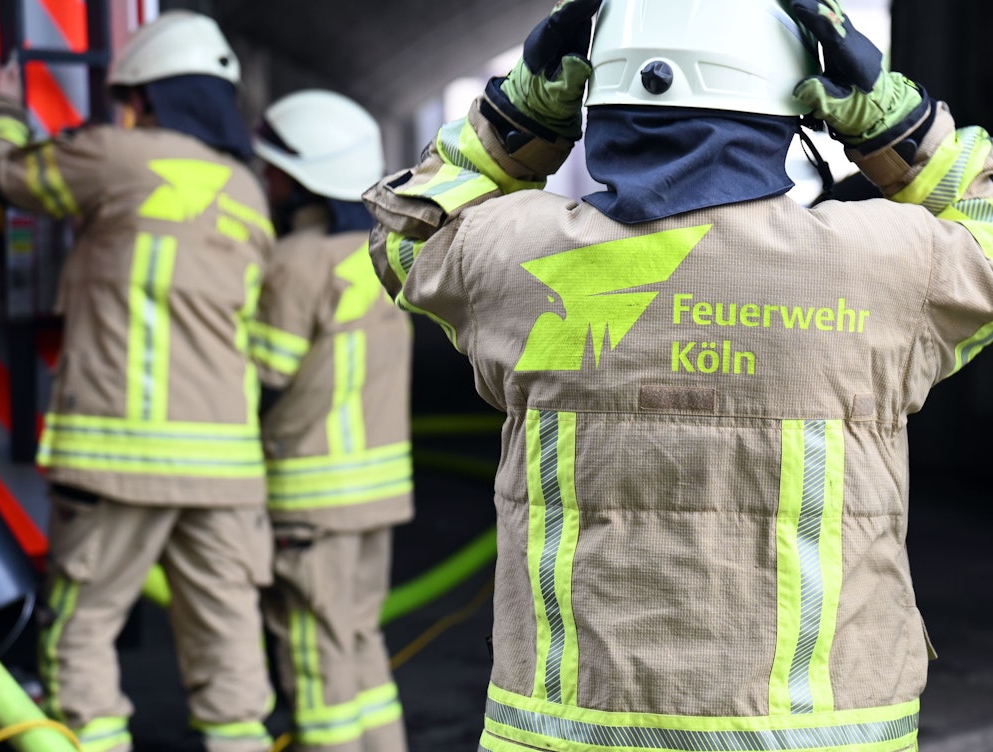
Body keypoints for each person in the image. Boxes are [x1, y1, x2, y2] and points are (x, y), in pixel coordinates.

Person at [362, 0, 993, 748]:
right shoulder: (884, 265)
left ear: (601, 111)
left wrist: (514, 120)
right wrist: (898, 131)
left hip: (565, 730)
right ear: (783, 116)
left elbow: (406, 235)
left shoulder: (510, 256)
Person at [0, 11, 277, 752]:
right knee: (229, 651)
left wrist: (4, 111)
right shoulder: (248, 190)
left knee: (81, 636)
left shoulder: (115, 156)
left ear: (145, 97)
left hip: (120, 459)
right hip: (227, 468)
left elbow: (11, 176)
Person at [250, 90, 414, 752]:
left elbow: (259, 379)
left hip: (309, 500)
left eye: (270, 169)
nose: (262, 181)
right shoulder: (386, 254)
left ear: (298, 178)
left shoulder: (296, 262)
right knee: (359, 643)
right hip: (376, 494)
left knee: (315, 666)